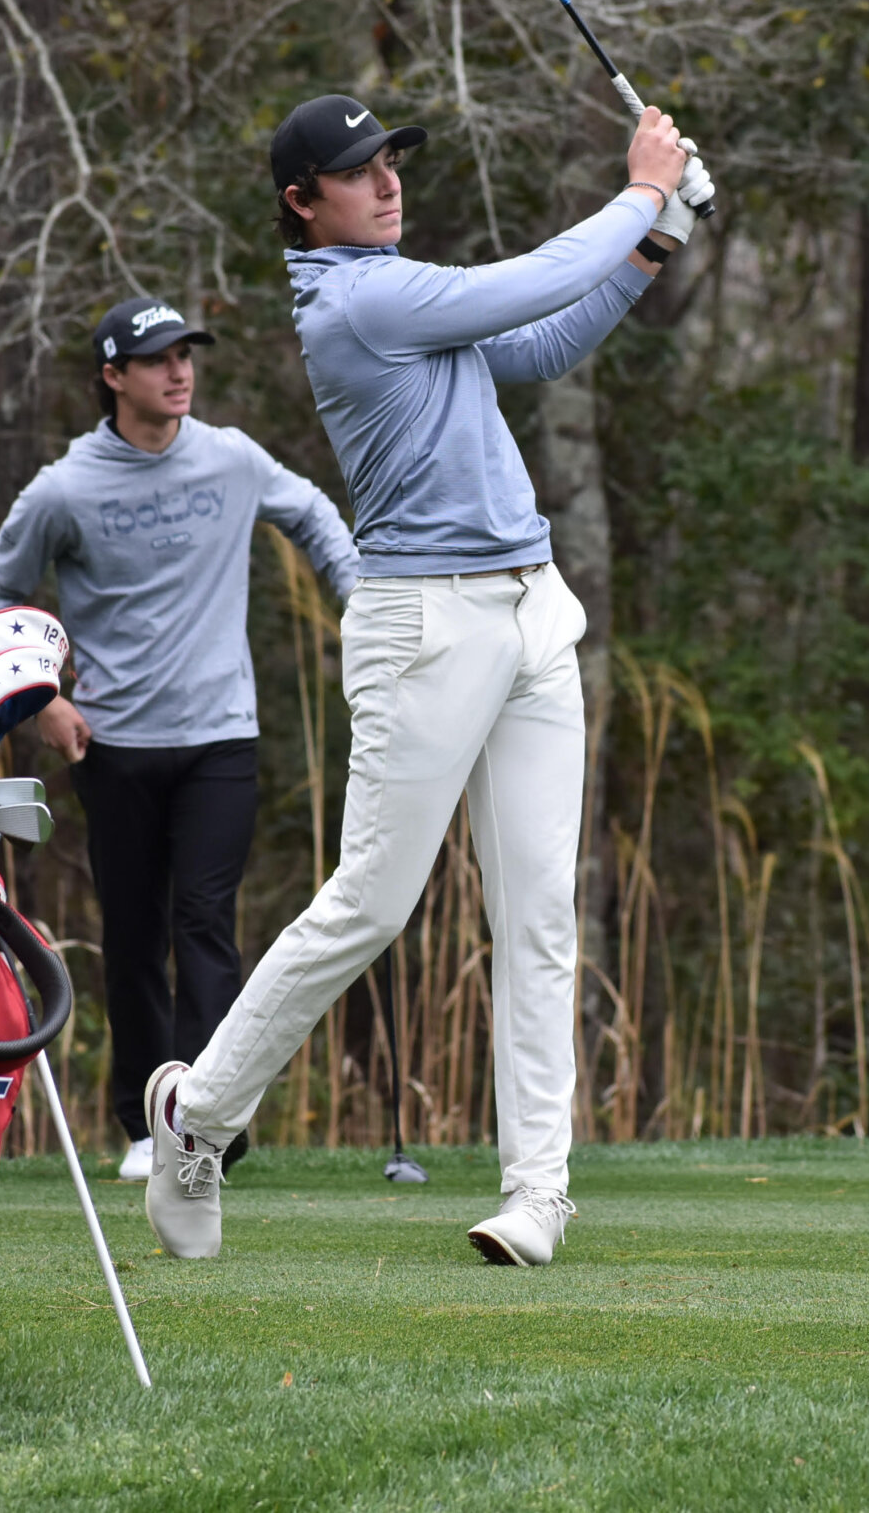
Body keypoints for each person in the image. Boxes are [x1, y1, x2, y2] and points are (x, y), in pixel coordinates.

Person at [143, 93, 710, 1265]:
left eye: (392, 160)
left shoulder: (404, 292)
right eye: (360, 171)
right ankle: (197, 1116)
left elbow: (541, 338)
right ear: (304, 204)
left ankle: (537, 1193)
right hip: (424, 628)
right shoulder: (359, 302)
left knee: (540, 916)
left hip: (529, 609)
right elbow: (522, 284)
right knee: (369, 905)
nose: (389, 181)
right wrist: (643, 189)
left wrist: (651, 246)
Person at [0, 295, 359, 1182]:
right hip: (115, 749)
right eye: (156, 360)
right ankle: (146, 1124)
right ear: (113, 377)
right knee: (138, 935)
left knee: (205, 926)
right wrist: (43, 702)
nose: (179, 372)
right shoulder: (65, 488)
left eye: (186, 356)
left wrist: (364, 603)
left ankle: (204, 1123)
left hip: (221, 740)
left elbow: (313, 515)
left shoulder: (229, 458)